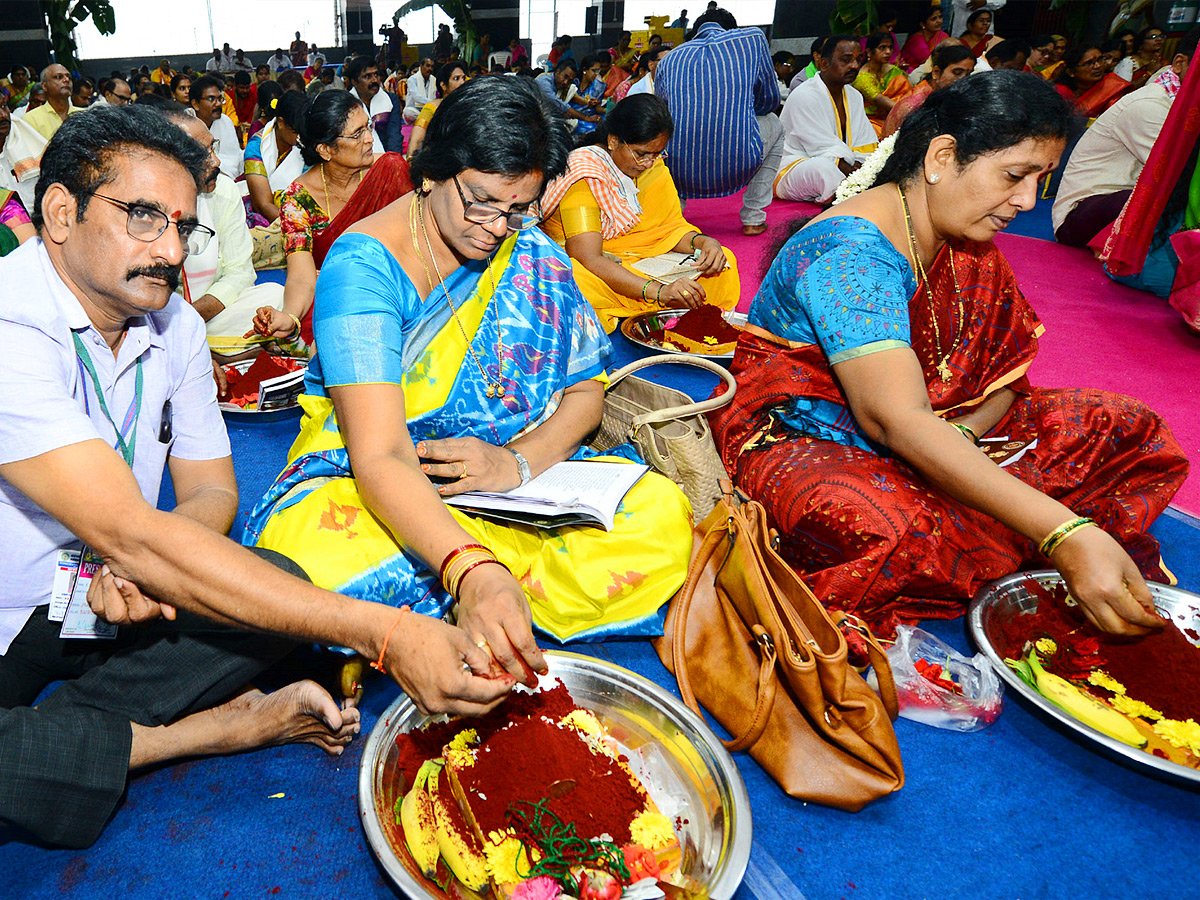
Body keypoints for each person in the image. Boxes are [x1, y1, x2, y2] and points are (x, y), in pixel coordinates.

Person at [0, 104, 523, 850]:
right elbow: (132, 528)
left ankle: (66, 743)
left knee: (274, 575)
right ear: (59, 211)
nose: (171, 249)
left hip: (101, 594)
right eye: (145, 218)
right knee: (283, 607)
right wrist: (391, 635)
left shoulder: (173, 323)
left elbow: (213, 493)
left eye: (183, 226)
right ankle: (202, 732)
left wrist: (144, 565)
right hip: (9, 612)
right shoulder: (8, 327)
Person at [709, 71, 1186, 638]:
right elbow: (894, 420)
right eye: (1014, 176)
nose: (1028, 201)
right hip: (805, 440)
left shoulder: (961, 236)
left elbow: (1003, 374)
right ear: (941, 157)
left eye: (1041, 179)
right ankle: (1021, 532)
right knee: (892, 530)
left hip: (942, 424)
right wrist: (1062, 532)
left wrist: (965, 433)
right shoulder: (850, 252)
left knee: (1124, 426)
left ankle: (993, 525)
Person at [243, 76, 692, 644]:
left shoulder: (525, 246)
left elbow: (586, 393)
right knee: (313, 563)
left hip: (514, 482)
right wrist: (470, 570)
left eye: (519, 208)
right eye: (482, 201)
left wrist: (517, 465)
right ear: (431, 172)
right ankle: (483, 589)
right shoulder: (362, 268)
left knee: (661, 514)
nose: (497, 228)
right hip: (383, 476)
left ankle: (453, 605)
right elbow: (378, 454)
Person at [539, 94, 740, 333]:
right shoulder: (585, 174)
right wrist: (658, 291)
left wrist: (706, 243)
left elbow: (670, 230)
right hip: (599, 266)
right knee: (573, 283)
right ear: (613, 141)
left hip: (646, 262)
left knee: (721, 261)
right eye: (641, 153)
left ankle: (658, 306)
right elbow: (588, 258)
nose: (648, 163)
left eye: (657, 154)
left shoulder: (654, 170)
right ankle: (658, 304)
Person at [246, 90, 413, 349]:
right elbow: (301, 276)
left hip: (396, 287)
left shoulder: (389, 171)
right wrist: (290, 316)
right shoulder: (298, 199)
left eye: (367, 127)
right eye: (357, 134)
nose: (370, 138)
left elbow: (415, 244)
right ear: (325, 150)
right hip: (338, 294)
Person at [1053, 31, 1199, 249]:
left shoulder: (1182, 102)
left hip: (1120, 203)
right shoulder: (1150, 104)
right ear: (1179, 63)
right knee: (1173, 189)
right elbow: (1176, 172)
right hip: (1081, 216)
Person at [655, 7, 782, 236]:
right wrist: (741, 114)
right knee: (775, 124)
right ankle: (753, 217)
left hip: (681, 171)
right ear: (731, 29)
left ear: (694, 33)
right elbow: (770, 100)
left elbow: (661, 115)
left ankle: (675, 213)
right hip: (738, 163)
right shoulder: (751, 40)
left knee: (672, 132)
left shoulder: (668, 60)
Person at [775, 34, 877, 204]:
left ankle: (850, 192)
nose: (854, 66)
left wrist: (864, 167)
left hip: (845, 167)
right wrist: (857, 174)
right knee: (823, 170)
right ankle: (850, 196)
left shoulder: (854, 96)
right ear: (824, 64)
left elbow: (864, 140)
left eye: (858, 59)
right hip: (793, 166)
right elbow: (819, 147)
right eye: (846, 60)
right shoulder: (805, 95)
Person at [884, 44, 975, 138]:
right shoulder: (917, 105)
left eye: (968, 74)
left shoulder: (947, 95)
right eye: (957, 73)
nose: (964, 79)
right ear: (936, 72)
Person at [244, 88, 306, 224]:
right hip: (274, 218)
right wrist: (296, 227)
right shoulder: (256, 147)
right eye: (296, 131)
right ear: (281, 122)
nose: (301, 137)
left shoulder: (305, 140)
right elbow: (263, 205)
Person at [854, 31, 912, 138]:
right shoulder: (862, 77)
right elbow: (878, 99)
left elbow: (908, 94)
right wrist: (908, 111)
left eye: (890, 47)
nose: (888, 52)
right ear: (869, 52)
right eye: (882, 48)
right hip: (871, 122)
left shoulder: (893, 71)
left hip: (897, 117)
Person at [407, 61, 467, 159]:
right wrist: (411, 162)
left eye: (463, 78)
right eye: (456, 79)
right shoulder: (432, 108)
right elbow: (416, 138)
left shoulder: (468, 106)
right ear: (443, 85)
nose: (462, 82)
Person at [189, 75, 241, 179]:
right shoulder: (185, 123)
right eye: (211, 99)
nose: (218, 104)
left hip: (225, 177)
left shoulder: (225, 121)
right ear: (196, 104)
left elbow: (233, 159)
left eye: (219, 99)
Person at [346, 56, 400, 154]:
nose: (374, 80)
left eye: (376, 75)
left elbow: (394, 135)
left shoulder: (391, 100)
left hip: (386, 153)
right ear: (354, 82)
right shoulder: (346, 103)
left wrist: (393, 159)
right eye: (367, 76)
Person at [1055, 45, 1129, 118]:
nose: (1098, 66)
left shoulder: (1113, 86)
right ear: (1071, 72)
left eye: (1100, 59)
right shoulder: (1061, 92)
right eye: (1089, 63)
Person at [23, 65, 80, 142]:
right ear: (44, 86)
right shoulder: (31, 119)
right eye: (58, 77)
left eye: (69, 77)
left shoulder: (83, 114)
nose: (66, 80)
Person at [536, 59, 602, 126]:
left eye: (569, 80)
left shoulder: (564, 85)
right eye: (565, 77)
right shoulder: (544, 81)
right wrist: (586, 118)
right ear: (557, 72)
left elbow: (573, 96)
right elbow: (558, 103)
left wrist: (588, 102)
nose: (565, 82)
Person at [901, 5, 949, 73]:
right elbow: (928, 61)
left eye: (940, 17)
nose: (939, 21)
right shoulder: (916, 40)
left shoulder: (943, 35)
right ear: (923, 24)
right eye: (933, 19)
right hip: (913, 74)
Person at [568, 55, 608, 134]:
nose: (596, 74)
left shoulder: (599, 87)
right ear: (585, 70)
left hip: (591, 117)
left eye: (598, 71)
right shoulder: (572, 82)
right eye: (594, 71)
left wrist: (608, 110)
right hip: (573, 116)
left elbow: (598, 108)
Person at [228, 71, 258, 144]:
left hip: (250, 129)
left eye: (247, 88)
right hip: (233, 131)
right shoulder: (229, 96)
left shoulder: (253, 95)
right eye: (242, 88)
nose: (245, 91)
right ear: (235, 85)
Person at [404, 57, 436, 123]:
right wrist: (432, 102)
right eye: (427, 66)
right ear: (421, 66)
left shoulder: (434, 80)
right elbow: (416, 97)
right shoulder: (412, 79)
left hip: (428, 110)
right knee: (408, 112)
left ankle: (425, 119)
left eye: (432, 67)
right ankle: (426, 119)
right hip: (415, 111)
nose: (429, 69)